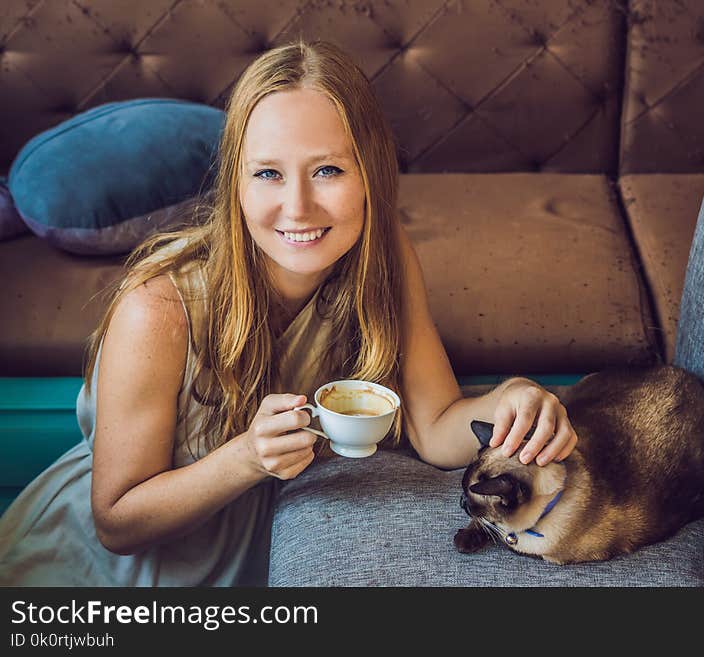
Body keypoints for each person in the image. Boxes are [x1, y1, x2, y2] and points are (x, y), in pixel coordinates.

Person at [0, 41, 578, 586]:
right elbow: (117, 523)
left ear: (371, 174)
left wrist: (511, 400)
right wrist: (248, 457)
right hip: (125, 574)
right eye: (268, 173)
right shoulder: (156, 310)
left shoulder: (385, 258)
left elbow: (435, 430)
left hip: (272, 547)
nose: (297, 207)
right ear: (236, 184)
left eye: (327, 170)